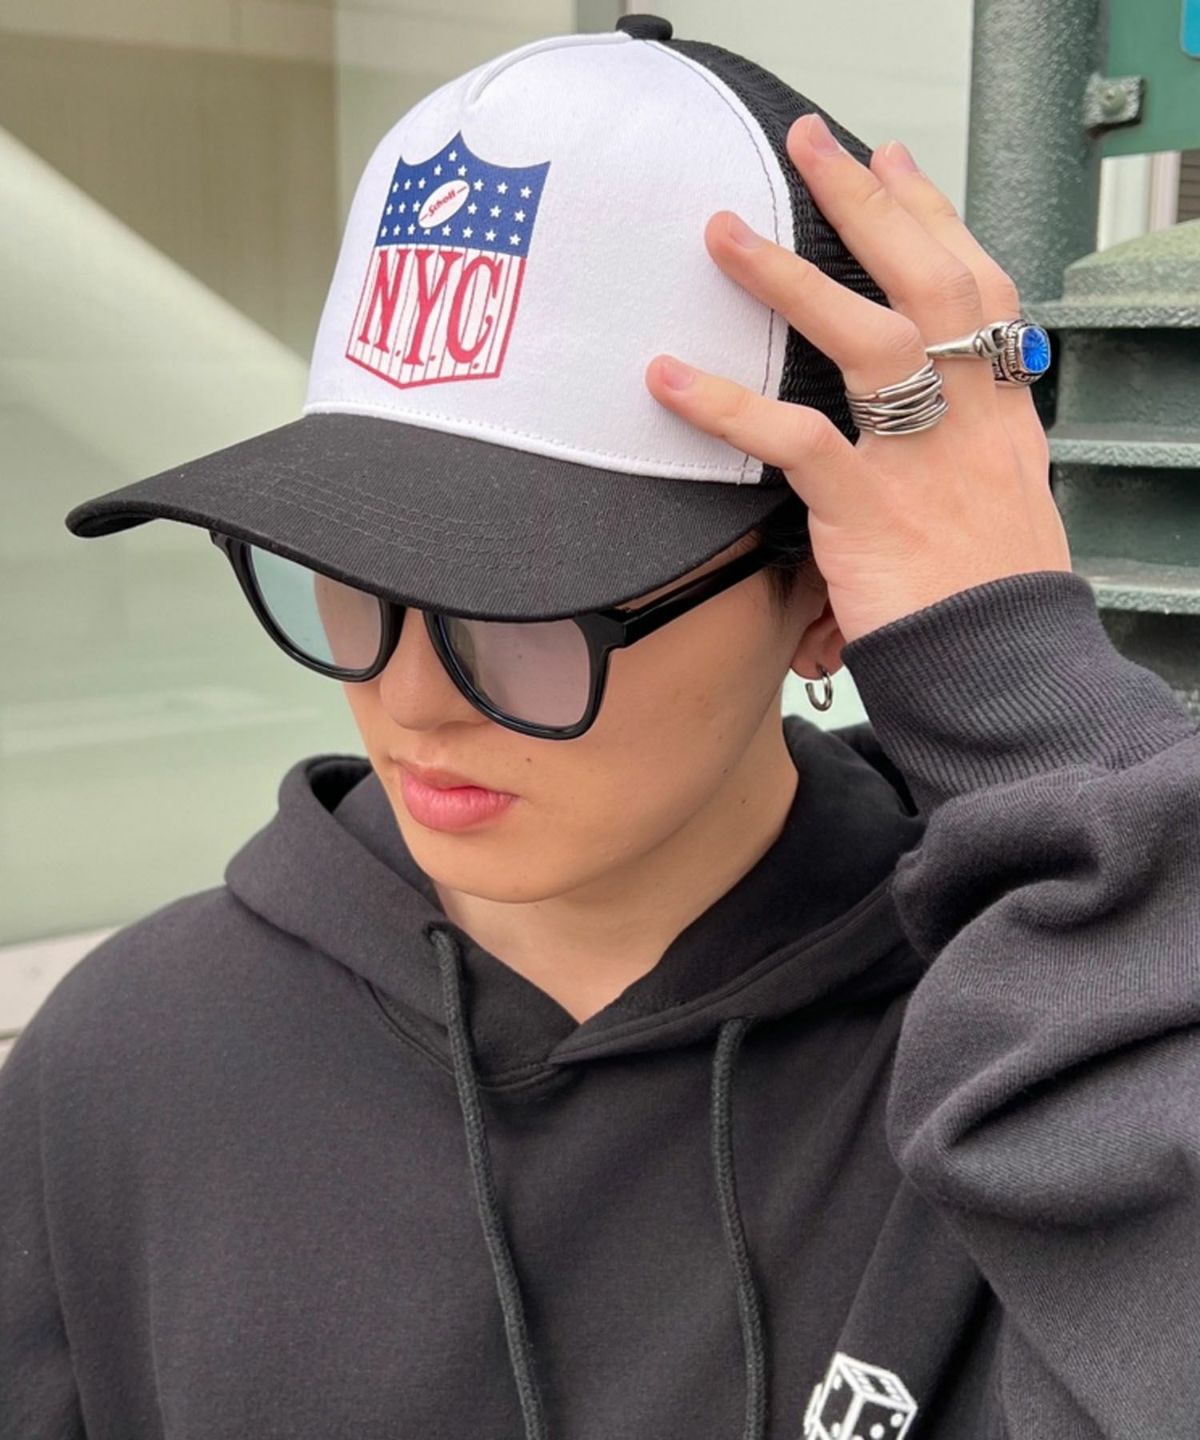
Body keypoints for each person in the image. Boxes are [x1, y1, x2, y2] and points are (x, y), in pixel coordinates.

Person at [3, 14, 1198, 1440]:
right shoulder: (128, 1057)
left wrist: (1013, 675)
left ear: (825, 598)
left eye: (529, 603)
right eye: (350, 567)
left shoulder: (1022, 1046)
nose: (410, 695)